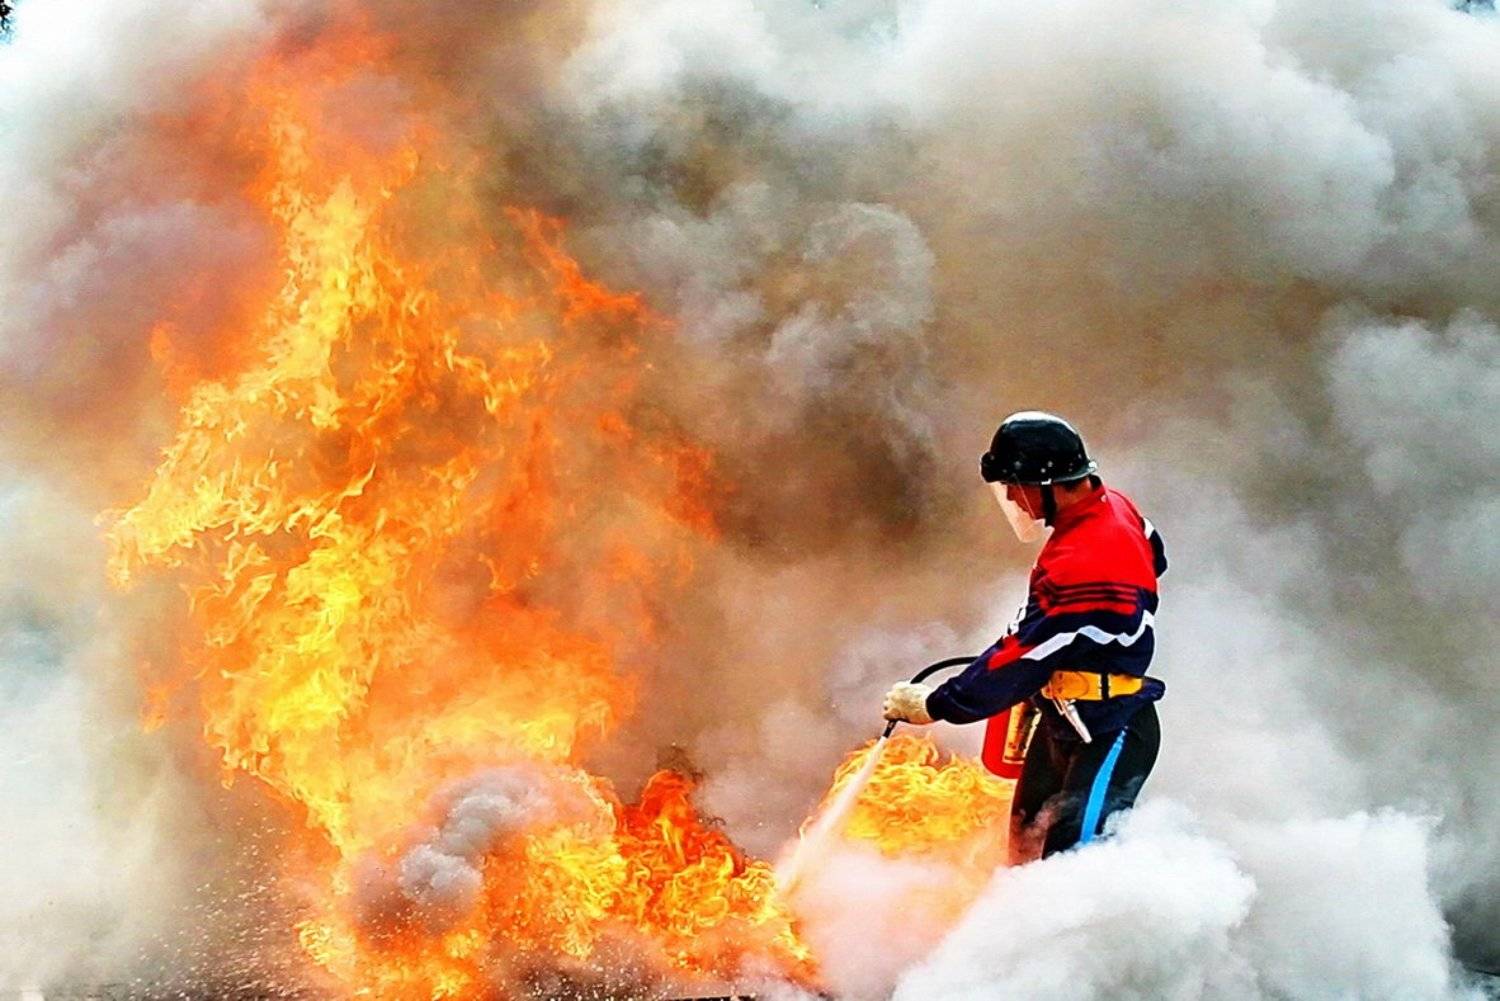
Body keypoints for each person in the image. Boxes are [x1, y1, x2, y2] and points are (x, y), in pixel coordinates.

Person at [882, 411, 1166, 861]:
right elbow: (1155, 552)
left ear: (1051, 483)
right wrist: (1099, 638)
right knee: (1023, 851)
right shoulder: (1111, 506)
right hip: (1063, 719)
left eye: (1017, 485)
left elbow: (1024, 656)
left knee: (1072, 869)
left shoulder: (1087, 558)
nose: (1012, 497)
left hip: (1111, 729)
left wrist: (937, 704)